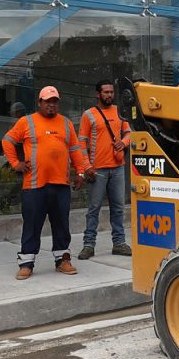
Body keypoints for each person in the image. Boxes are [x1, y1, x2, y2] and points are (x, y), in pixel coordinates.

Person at [2, 86, 88, 280]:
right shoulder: (26, 121)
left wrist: (81, 172)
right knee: (32, 225)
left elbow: (75, 149)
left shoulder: (66, 123)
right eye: (47, 101)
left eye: (55, 101)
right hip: (34, 185)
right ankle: (26, 263)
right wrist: (16, 163)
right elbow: (7, 141)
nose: (51, 105)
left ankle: (63, 260)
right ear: (39, 103)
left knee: (61, 225)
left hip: (61, 185)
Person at [78, 79, 132, 259]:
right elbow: (81, 142)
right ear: (98, 94)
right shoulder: (89, 115)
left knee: (118, 208)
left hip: (117, 168)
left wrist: (122, 143)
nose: (109, 95)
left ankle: (119, 243)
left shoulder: (120, 111)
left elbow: (129, 133)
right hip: (97, 170)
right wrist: (86, 167)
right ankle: (88, 245)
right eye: (106, 92)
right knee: (93, 209)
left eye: (111, 92)